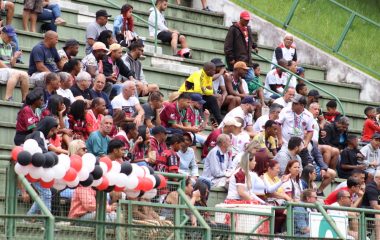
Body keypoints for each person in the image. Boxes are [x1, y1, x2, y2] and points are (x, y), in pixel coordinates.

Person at [224, 10, 258, 81]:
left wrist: (254, 46)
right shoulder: (233, 29)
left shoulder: (248, 28)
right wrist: (231, 58)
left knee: (251, 76)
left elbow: (250, 39)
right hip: (237, 60)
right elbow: (228, 45)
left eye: (248, 20)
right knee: (239, 77)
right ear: (240, 18)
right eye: (245, 20)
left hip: (247, 59)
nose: (247, 21)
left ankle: (241, 88)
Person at [0, 25, 29, 101]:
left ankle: (25, 100)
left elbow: (12, 64)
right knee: (15, 73)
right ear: (2, 33)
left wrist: (15, 57)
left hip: (6, 70)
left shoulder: (10, 45)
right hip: (1, 69)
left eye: (12, 36)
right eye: (9, 36)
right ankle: (8, 97)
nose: (11, 38)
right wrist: (9, 70)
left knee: (25, 75)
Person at [309, 102, 340, 170]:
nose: (317, 111)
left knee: (336, 151)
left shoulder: (316, 120)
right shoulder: (307, 118)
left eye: (318, 109)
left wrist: (321, 132)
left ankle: (332, 172)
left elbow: (316, 132)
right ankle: (324, 170)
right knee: (328, 148)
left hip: (316, 144)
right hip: (310, 144)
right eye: (315, 109)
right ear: (309, 109)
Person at [361, 170, 380, 239]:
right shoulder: (371, 187)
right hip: (365, 211)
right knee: (378, 213)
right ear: (378, 179)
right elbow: (375, 206)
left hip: (373, 212)